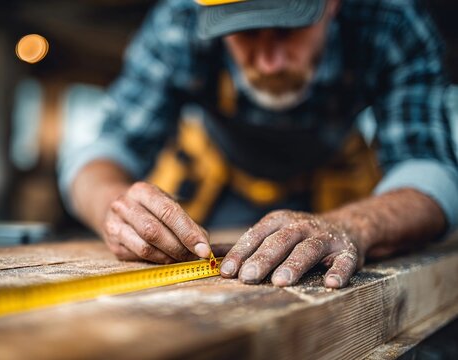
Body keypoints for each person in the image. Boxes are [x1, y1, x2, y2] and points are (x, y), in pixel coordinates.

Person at [59, 0, 458, 289]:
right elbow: (104, 151)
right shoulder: (180, 21)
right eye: (245, 32)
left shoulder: (389, 20)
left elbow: (430, 170)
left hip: (338, 182)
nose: (269, 62)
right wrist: (113, 205)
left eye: (288, 30)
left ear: (332, 6)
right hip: (220, 179)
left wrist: (354, 225)